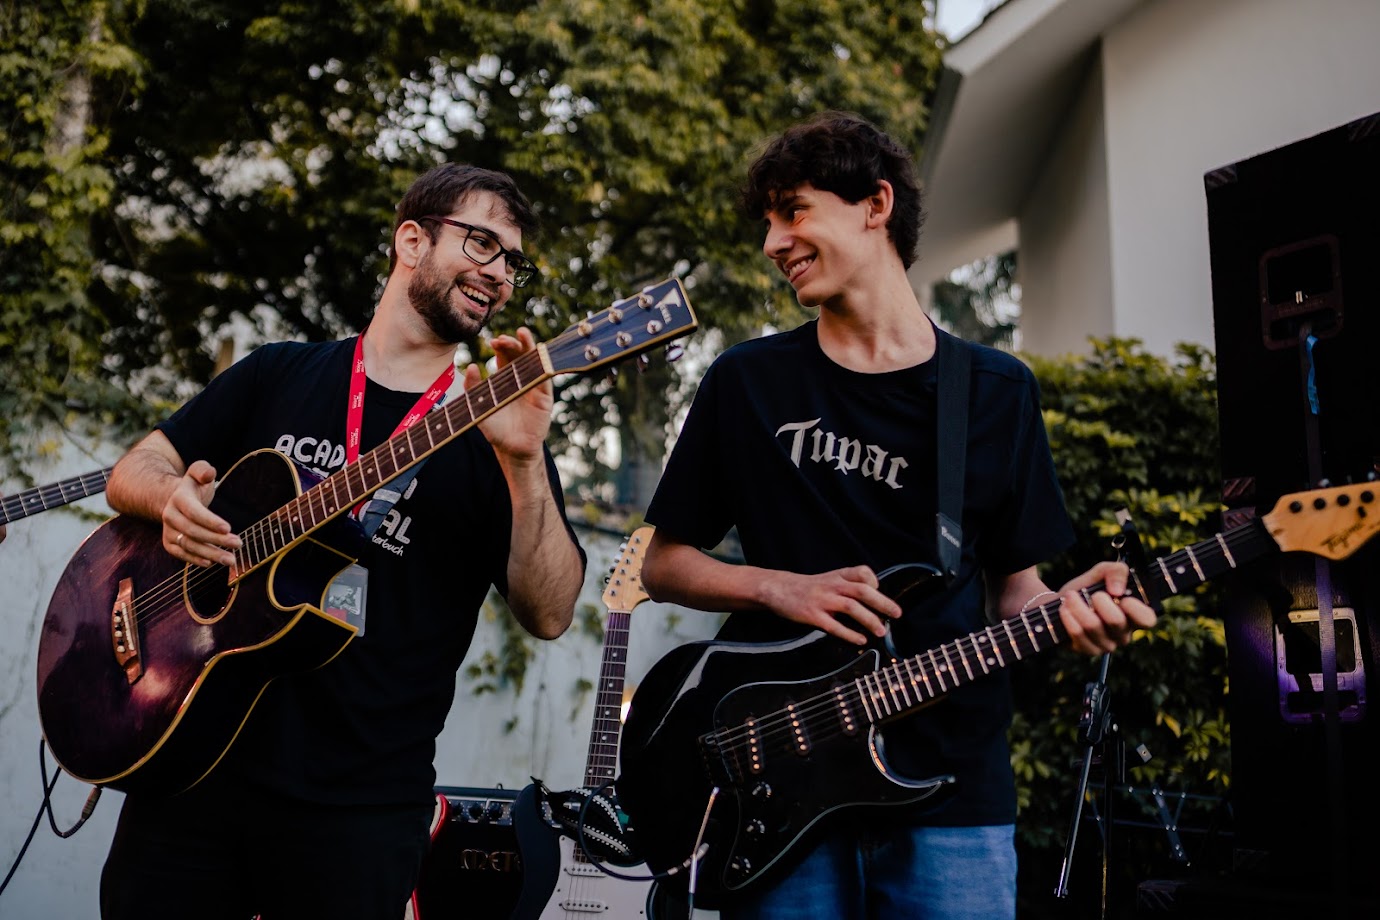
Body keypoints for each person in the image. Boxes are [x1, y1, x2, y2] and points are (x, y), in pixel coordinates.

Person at [640, 112, 1156, 919]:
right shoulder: (747, 382)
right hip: (779, 787)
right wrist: (779, 587)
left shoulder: (996, 391)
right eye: (768, 221)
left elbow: (1015, 592)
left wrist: (1071, 611)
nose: (772, 242)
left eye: (793, 211)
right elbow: (660, 563)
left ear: (875, 205)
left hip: (952, 796)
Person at [99, 163, 586, 920]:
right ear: (412, 241)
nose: (499, 273)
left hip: (358, 811)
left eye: (512, 262)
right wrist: (173, 500)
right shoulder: (280, 371)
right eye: (482, 244)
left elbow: (550, 612)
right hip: (195, 771)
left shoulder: (496, 426)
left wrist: (524, 464)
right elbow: (134, 469)